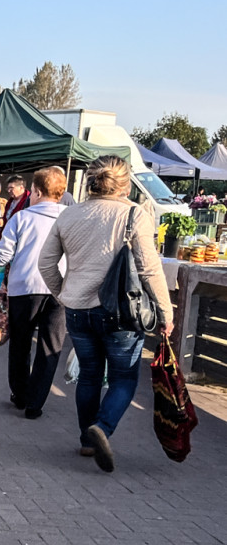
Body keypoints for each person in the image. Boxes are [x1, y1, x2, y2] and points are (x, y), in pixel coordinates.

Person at [38, 156, 173, 473]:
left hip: (78, 311)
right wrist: (165, 313)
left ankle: (87, 439)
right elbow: (149, 269)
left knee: (89, 375)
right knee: (124, 378)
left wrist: (63, 293)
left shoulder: (68, 215)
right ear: (125, 183)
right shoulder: (133, 214)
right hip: (121, 314)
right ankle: (104, 427)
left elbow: (46, 264)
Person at [0, 167, 69, 420]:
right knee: (50, 346)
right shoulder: (70, 218)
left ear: (35, 191)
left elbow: (3, 253)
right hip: (60, 288)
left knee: (21, 343)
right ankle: (36, 402)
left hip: (25, 286)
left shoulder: (21, 217)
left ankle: (20, 393)